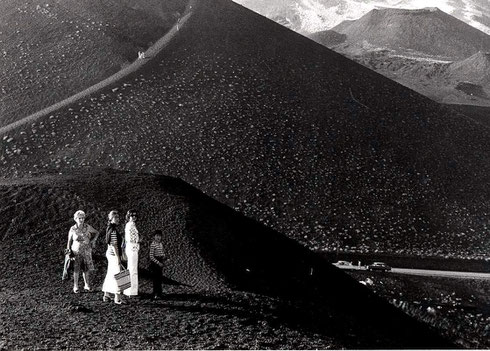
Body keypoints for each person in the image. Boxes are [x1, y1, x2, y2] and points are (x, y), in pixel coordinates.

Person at [66, 210, 99, 293]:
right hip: (76, 251)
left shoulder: (87, 227)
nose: (81, 220)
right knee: (76, 269)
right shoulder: (73, 229)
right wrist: (68, 253)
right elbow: (69, 241)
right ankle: (76, 286)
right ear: (75, 219)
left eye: (83, 218)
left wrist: (93, 241)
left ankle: (87, 285)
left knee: (86, 269)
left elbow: (96, 232)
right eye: (79, 218)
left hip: (87, 251)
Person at [102, 210, 124, 304]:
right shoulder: (113, 230)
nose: (118, 219)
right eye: (116, 217)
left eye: (118, 217)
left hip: (110, 254)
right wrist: (118, 258)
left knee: (110, 274)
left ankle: (106, 295)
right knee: (117, 275)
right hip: (114, 255)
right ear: (111, 219)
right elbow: (114, 245)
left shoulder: (109, 228)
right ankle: (117, 298)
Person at [123, 209, 140, 297]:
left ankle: (129, 291)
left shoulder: (132, 225)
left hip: (133, 248)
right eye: (131, 216)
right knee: (132, 270)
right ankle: (131, 292)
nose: (133, 217)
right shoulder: (130, 225)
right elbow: (130, 238)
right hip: (132, 247)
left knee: (131, 269)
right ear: (128, 217)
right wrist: (139, 240)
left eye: (135, 216)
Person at [149, 230, 165, 299]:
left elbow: (162, 252)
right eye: (157, 236)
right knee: (156, 279)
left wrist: (164, 256)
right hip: (155, 263)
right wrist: (158, 263)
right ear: (154, 237)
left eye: (159, 236)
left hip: (160, 261)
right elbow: (151, 256)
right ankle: (155, 293)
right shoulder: (153, 244)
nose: (158, 237)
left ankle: (159, 293)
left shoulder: (161, 244)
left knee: (160, 278)